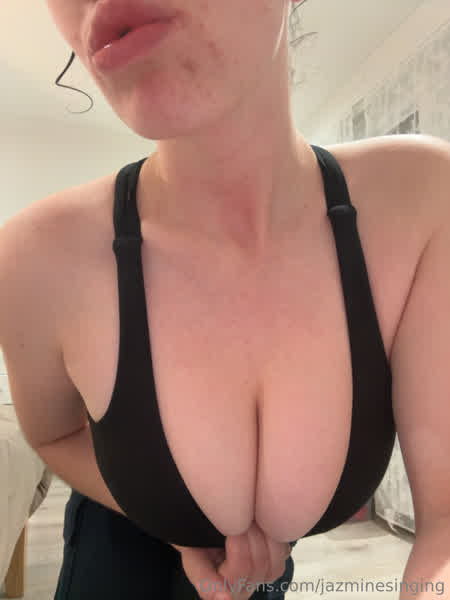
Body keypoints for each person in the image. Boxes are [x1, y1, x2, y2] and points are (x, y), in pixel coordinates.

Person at [1, 0, 449, 598]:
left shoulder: (422, 202)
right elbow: (51, 434)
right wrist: (167, 522)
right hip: (112, 555)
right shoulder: (32, 258)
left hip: (260, 578)